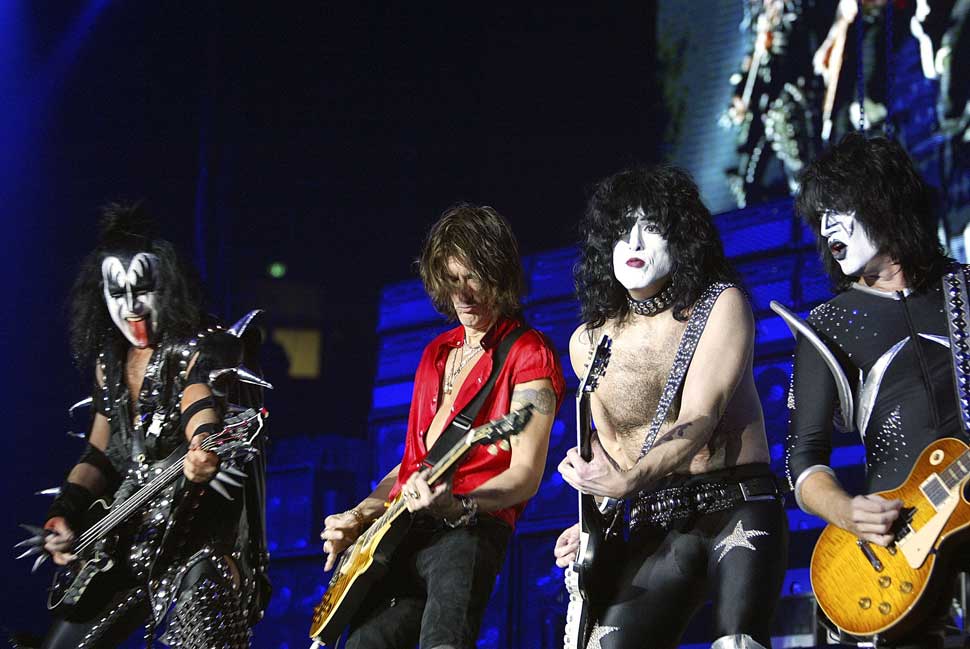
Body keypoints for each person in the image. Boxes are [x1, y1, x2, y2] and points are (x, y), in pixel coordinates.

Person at [554, 166, 789, 649]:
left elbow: (699, 419)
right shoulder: (587, 342)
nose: (634, 242)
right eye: (621, 231)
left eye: (652, 227)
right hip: (653, 521)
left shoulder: (720, 304)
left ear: (682, 239)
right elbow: (615, 450)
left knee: (738, 643)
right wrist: (591, 522)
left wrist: (626, 482)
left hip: (735, 503)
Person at [19, 203, 270, 649]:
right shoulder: (108, 363)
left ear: (169, 288)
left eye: (144, 290)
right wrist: (66, 513)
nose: (131, 307)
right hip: (123, 538)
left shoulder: (197, 347)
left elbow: (201, 402)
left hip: (193, 537)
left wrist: (203, 446)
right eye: (117, 294)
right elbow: (99, 454)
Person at [320, 204, 565, 649]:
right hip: (402, 532)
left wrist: (459, 505)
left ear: (500, 275)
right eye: (452, 280)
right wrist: (358, 514)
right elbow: (411, 466)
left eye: (474, 277)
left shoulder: (529, 353)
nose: (464, 294)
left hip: (469, 531)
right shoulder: (436, 352)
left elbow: (525, 476)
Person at [784, 133, 960, 648]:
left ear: (887, 200)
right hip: (896, 545)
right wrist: (846, 512)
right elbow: (804, 457)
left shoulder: (963, 288)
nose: (828, 225)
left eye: (841, 207)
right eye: (821, 216)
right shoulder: (829, 324)